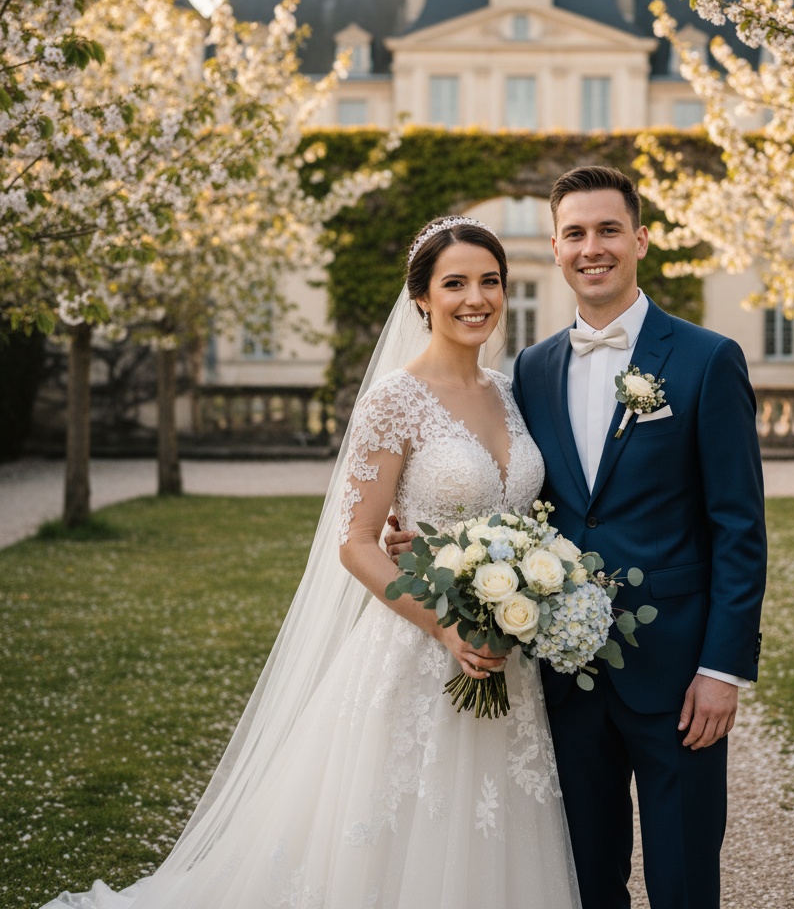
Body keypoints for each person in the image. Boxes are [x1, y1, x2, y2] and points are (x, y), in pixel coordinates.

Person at [40, 217, 582, 909]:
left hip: (507, 655)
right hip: (421, 650)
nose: (476, 297)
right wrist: (447, 625)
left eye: (490, 281)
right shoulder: (394, 399)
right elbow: (356, 541)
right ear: (420, 298)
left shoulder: (509, 393)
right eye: (455, 283)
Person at [389, 166, 767, 909]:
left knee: (685, 879)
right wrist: (431, 551)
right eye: (575, 234)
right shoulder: (529, 370)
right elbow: (514, 498)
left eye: (608, 230)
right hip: (561, 672)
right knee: (583, 881)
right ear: (556, 247)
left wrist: (724, 669)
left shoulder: (706, 359)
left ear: (641, 240)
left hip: (679, 675)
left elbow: (740, 527)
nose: (591, 248)